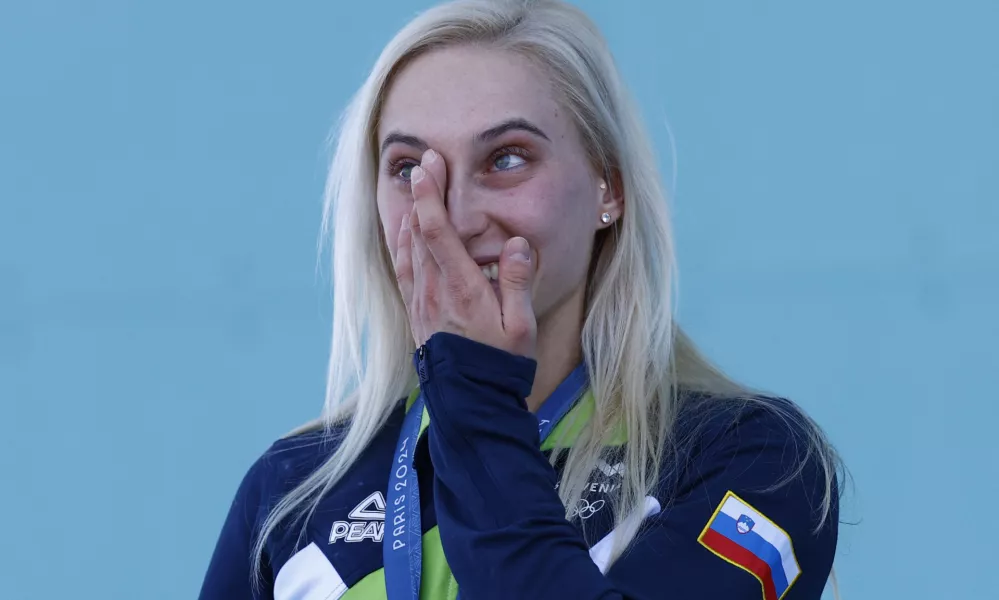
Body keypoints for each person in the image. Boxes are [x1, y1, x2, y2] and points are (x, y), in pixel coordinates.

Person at [199, 0, 843, 598]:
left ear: (608, 189)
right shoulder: (294, 490)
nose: (450, 216)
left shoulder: (753, 459)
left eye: (506, 158)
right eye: (407, 170)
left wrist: (475, 396)